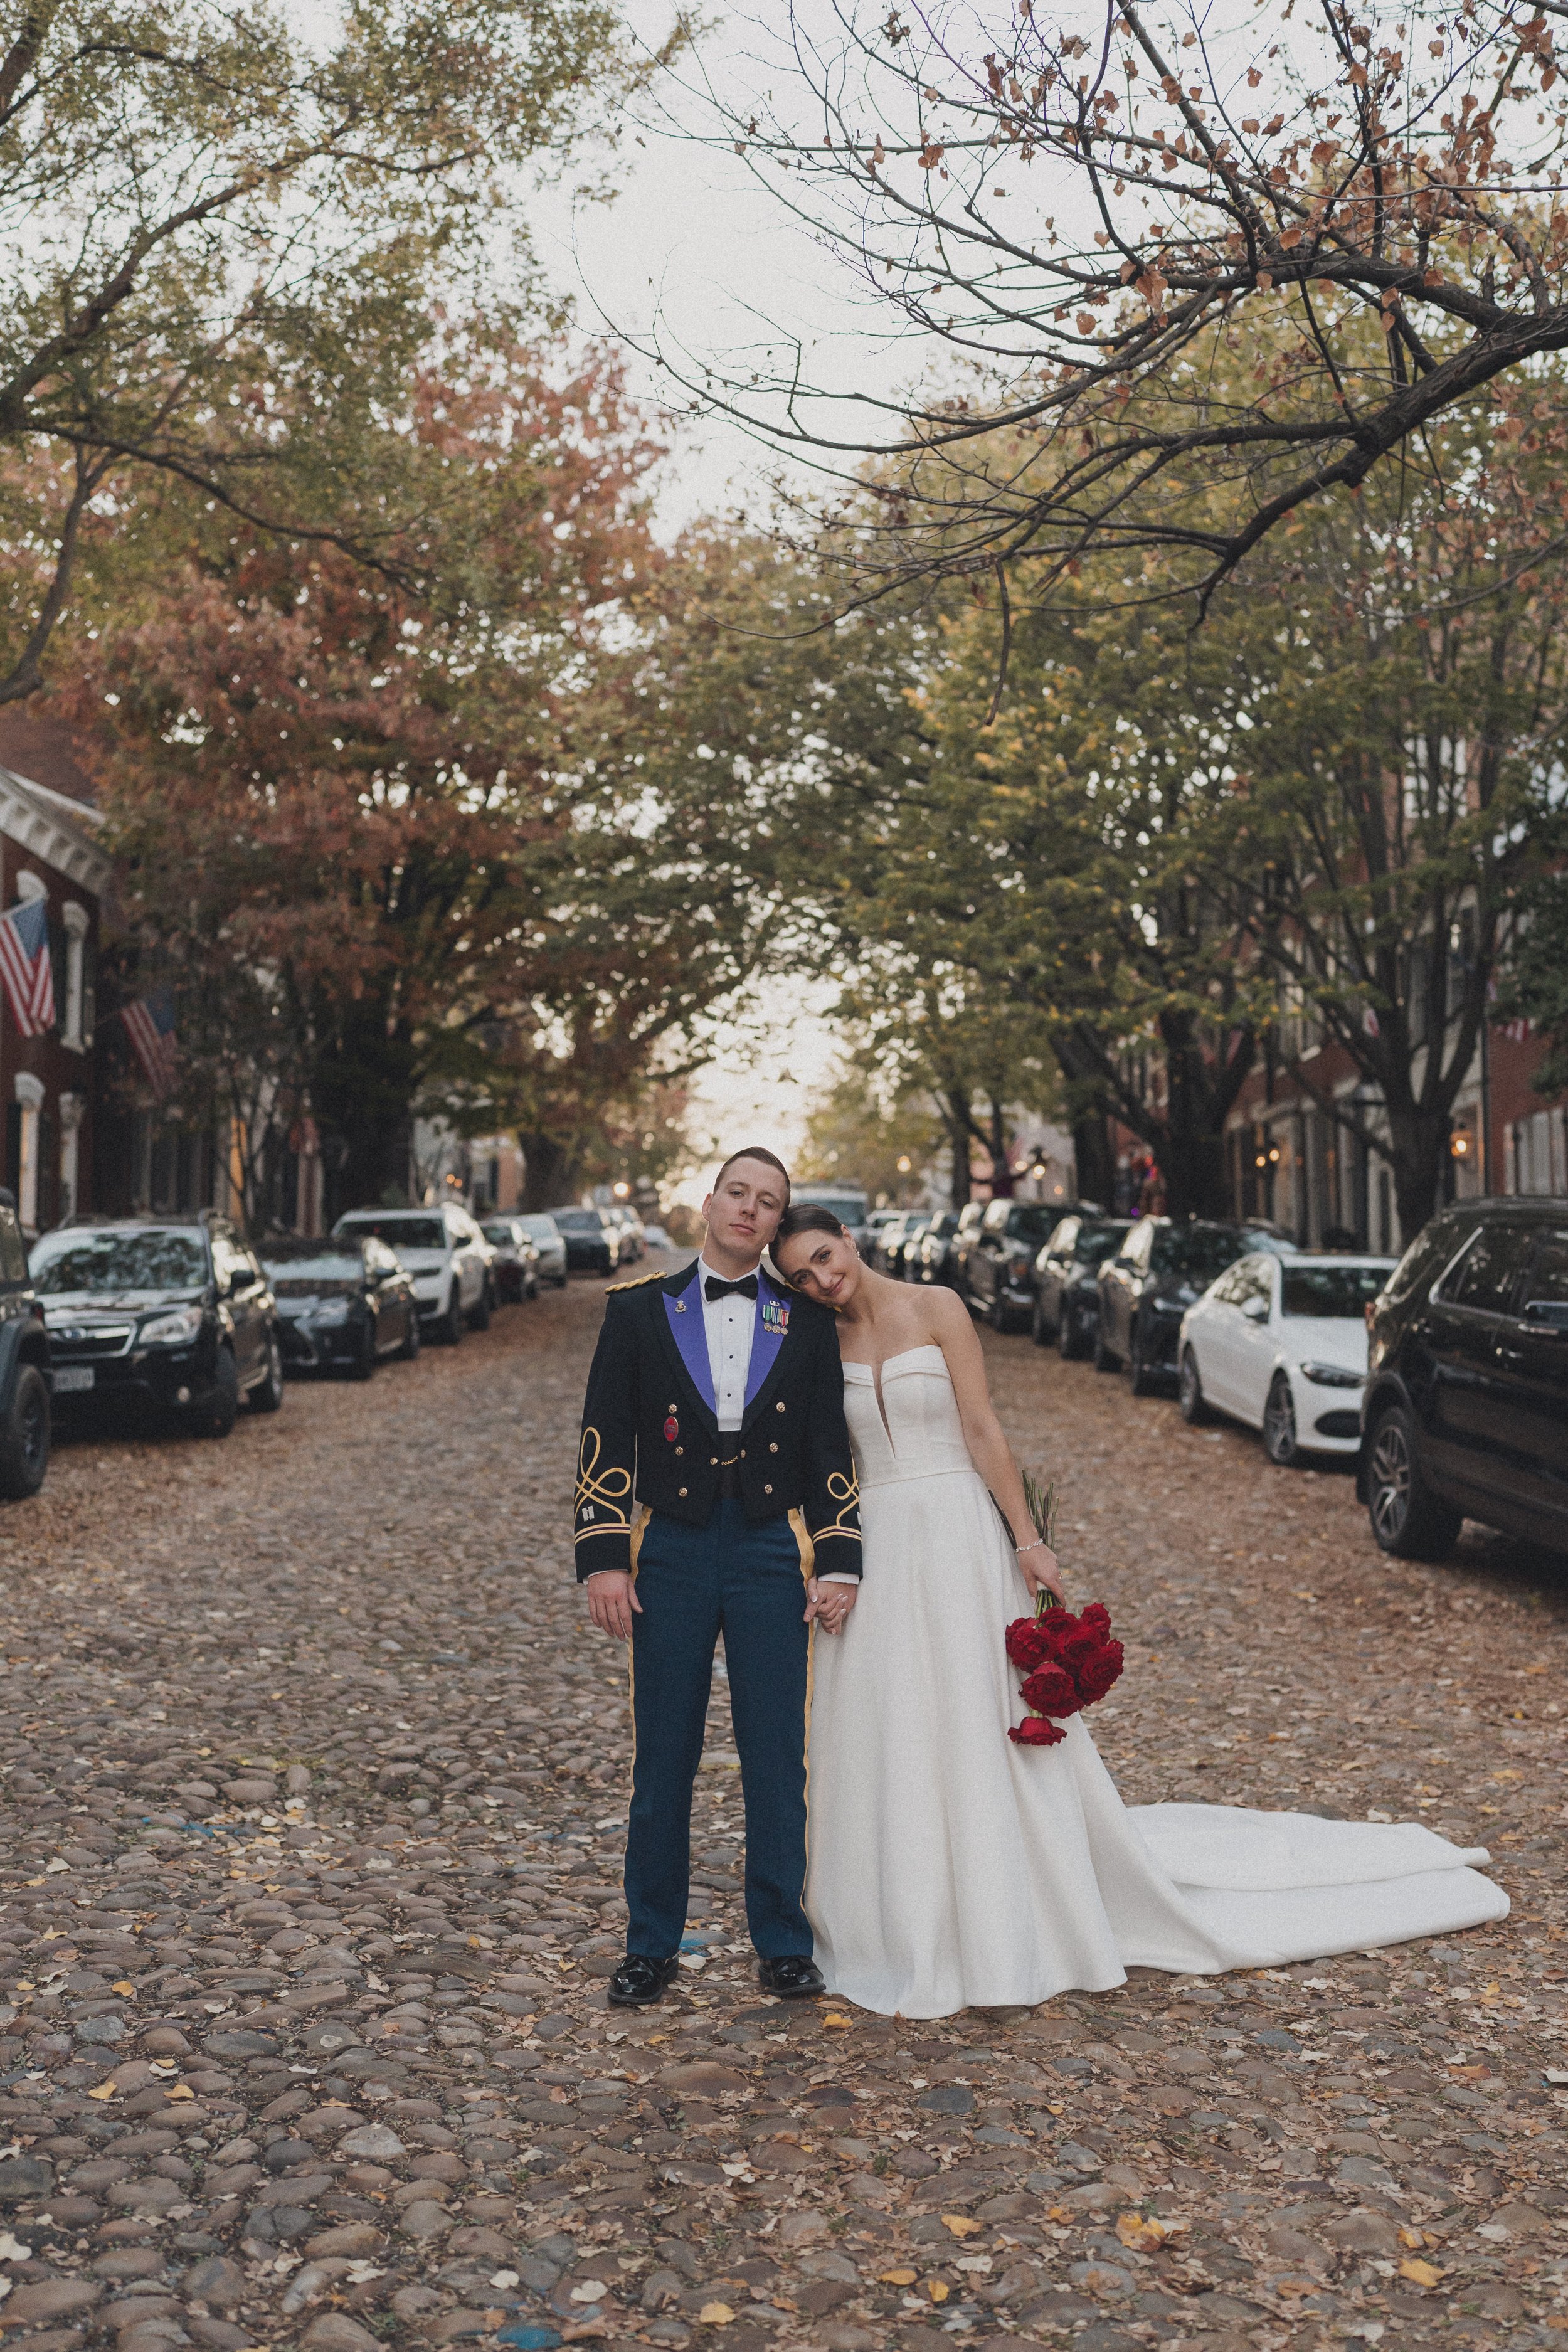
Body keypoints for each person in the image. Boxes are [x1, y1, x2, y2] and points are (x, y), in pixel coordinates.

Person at [770, 1202, 1508, 2020]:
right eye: (802, 1275)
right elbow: (819, 1456)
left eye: (825, 1256)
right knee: (892, 1721)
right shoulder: (816, 1342)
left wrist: (1027, 1540)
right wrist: (828, 1558)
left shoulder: (938, 1305)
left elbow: (981, 1428)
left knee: (978, 1712)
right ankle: (902, 1914)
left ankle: (1000, 1900)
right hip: (876, 1545)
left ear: (848, 1238)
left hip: (957, 1533)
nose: (822, 1279)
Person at [576, 1149, 862, 2008]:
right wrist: (605, 1557)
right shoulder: (636, 1310)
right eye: (737, 1192)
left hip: (771, 1546)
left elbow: (828, 1448)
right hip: (673, 1545)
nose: (748, 1208)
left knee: (776, 1753)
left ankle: (783, 1941)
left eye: (767, 1201)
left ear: (776, 1227)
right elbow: (605, 1433)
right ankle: (649, 1944)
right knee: (664, 1752)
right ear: (707, 1203)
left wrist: (839, 1557)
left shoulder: (805, 1323)